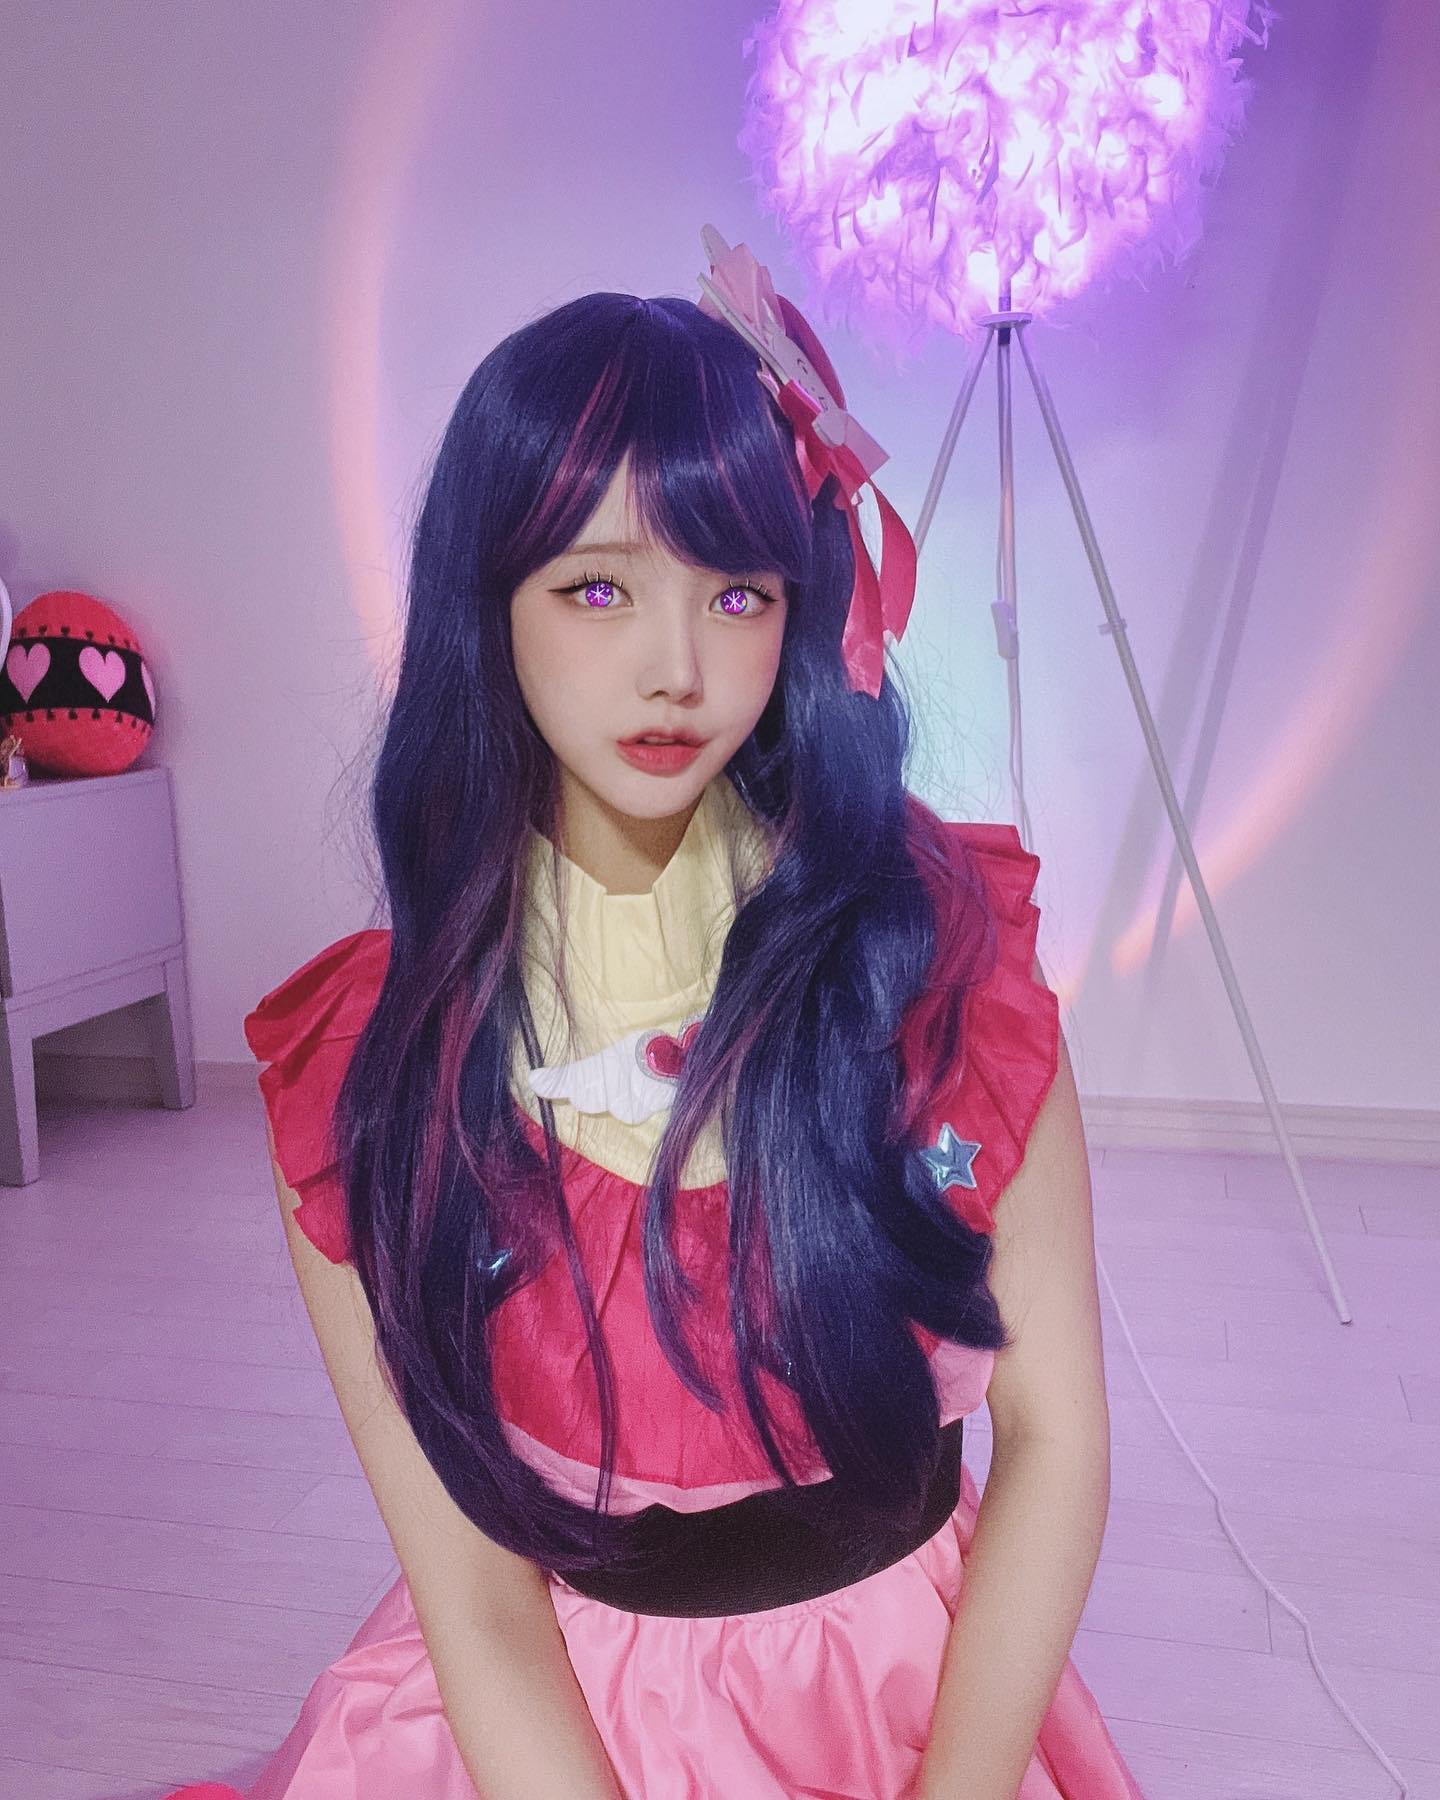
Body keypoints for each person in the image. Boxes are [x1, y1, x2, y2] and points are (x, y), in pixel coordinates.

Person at [160, 234, 1147, 1800]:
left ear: (802, 606)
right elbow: (478, 1602)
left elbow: (1057, 1442)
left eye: (735, 590)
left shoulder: (947, 966)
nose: (675, 667)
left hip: (920, 1713)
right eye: (598, 587)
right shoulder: (370, 1082)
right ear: (490, 603)